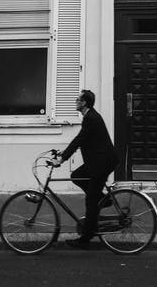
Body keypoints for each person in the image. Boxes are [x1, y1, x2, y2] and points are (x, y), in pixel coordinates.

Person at [54, 89, 118, 249]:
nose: (75, 102)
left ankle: (85, 239)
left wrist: (62, 159)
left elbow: (79, 140)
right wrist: (63, 153)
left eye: (78, 100)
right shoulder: (90, 117)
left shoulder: (91, 118)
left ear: (84, 103)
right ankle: (104, 199)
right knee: (77, 176)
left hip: (102, 163)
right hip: (97, 161)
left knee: (91, 200)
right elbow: (82, 140)